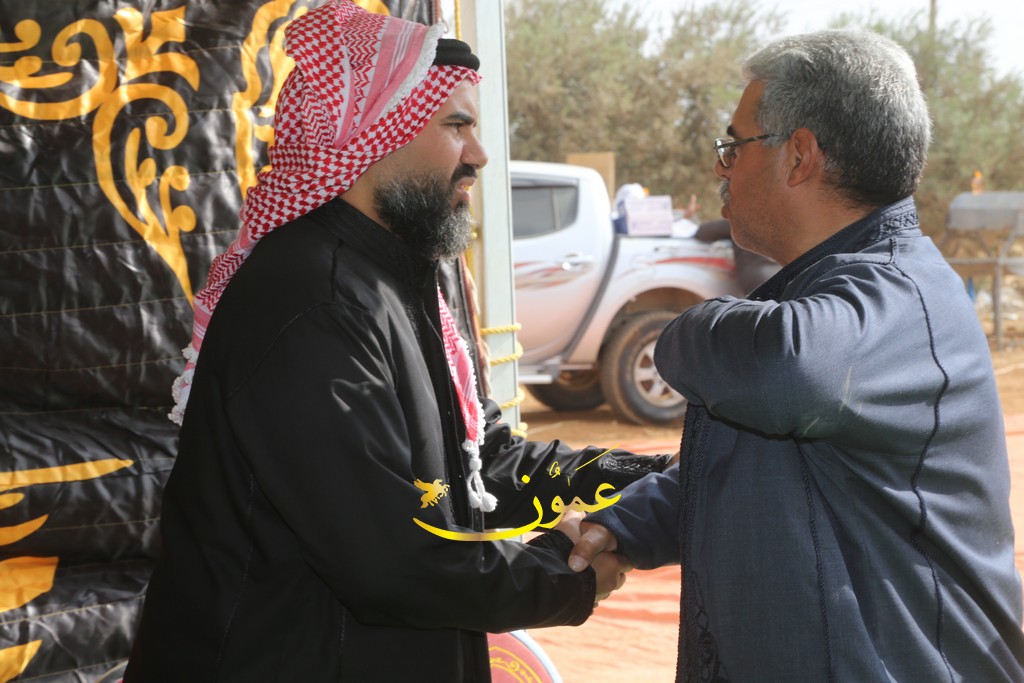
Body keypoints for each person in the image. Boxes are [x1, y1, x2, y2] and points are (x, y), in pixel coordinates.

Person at [123, 2, 659, 680]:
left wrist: (636, 481)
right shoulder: (310, 301)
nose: (479, 155)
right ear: (375, 131)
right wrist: (567, 572)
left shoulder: (398, 280)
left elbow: (483, 465)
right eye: (456, 125)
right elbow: (388, 558)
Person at [568, 29, 1024, 682]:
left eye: (735, 145)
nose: (722, 167)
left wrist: (685, 328)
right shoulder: (820, 295)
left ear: (799, 156)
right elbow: (764, 470)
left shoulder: (899, 296)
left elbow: (784, 371)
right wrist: (626, 525)